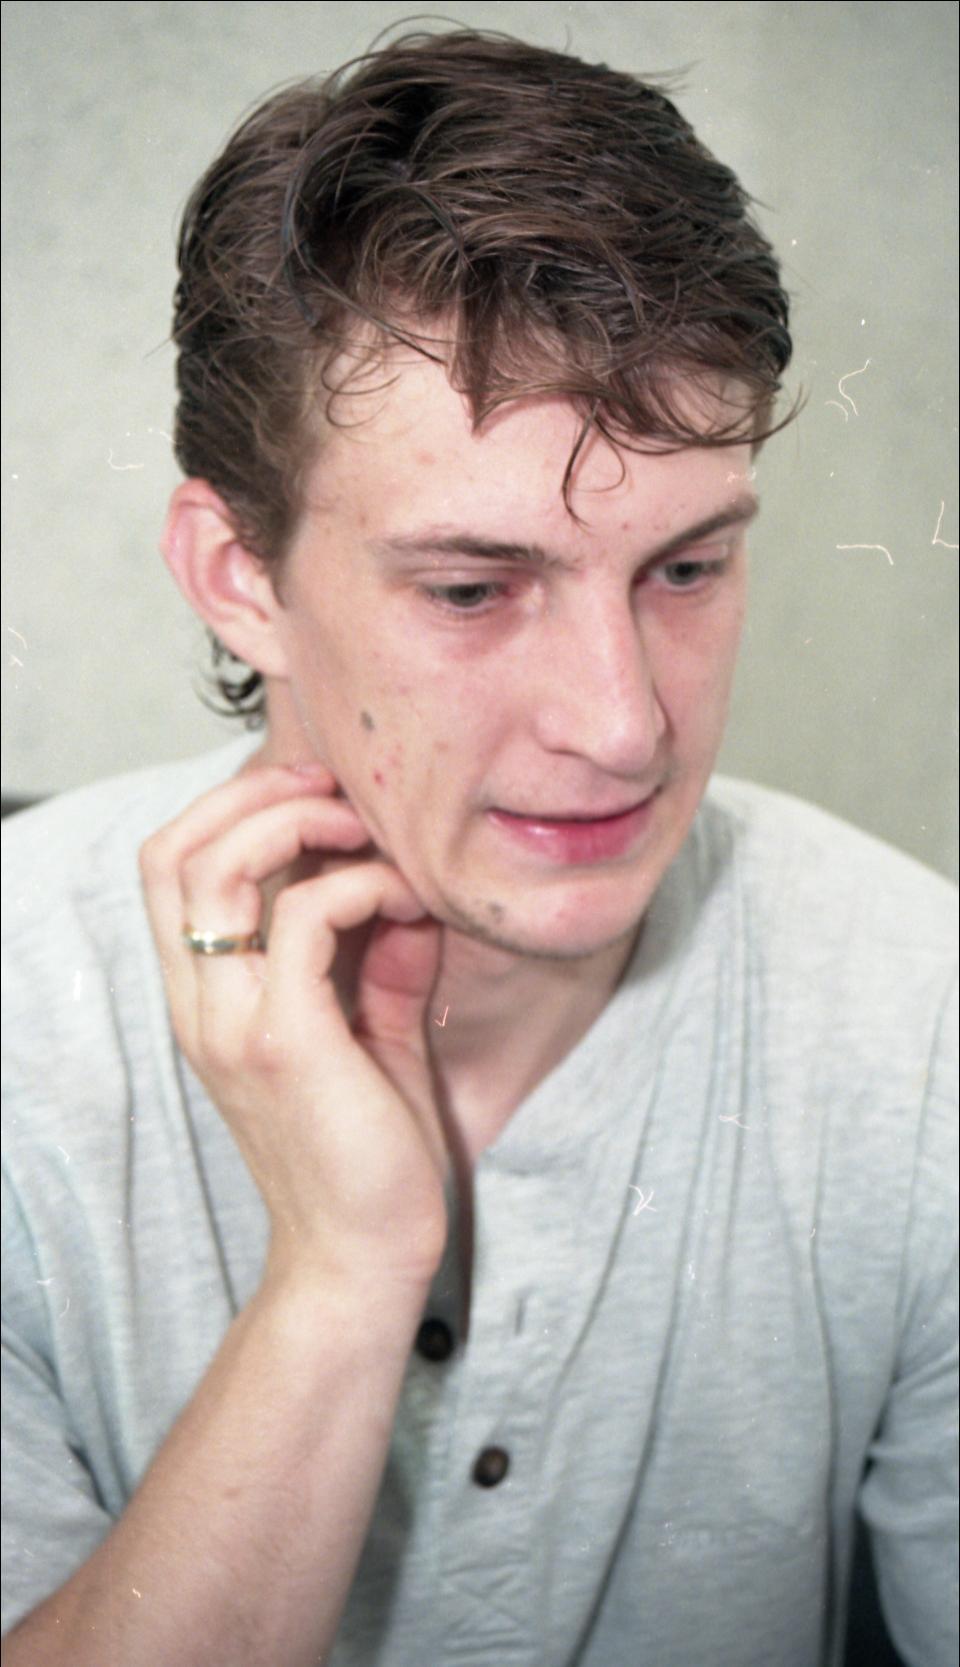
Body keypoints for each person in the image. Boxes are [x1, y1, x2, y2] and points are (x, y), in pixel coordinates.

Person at [1, 28, 956, 1667]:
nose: (626, 726)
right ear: (238, 577)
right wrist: (343, 1271)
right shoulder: (20, 1030)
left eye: (686, 568)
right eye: (471, 588)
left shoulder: (922, 1016)